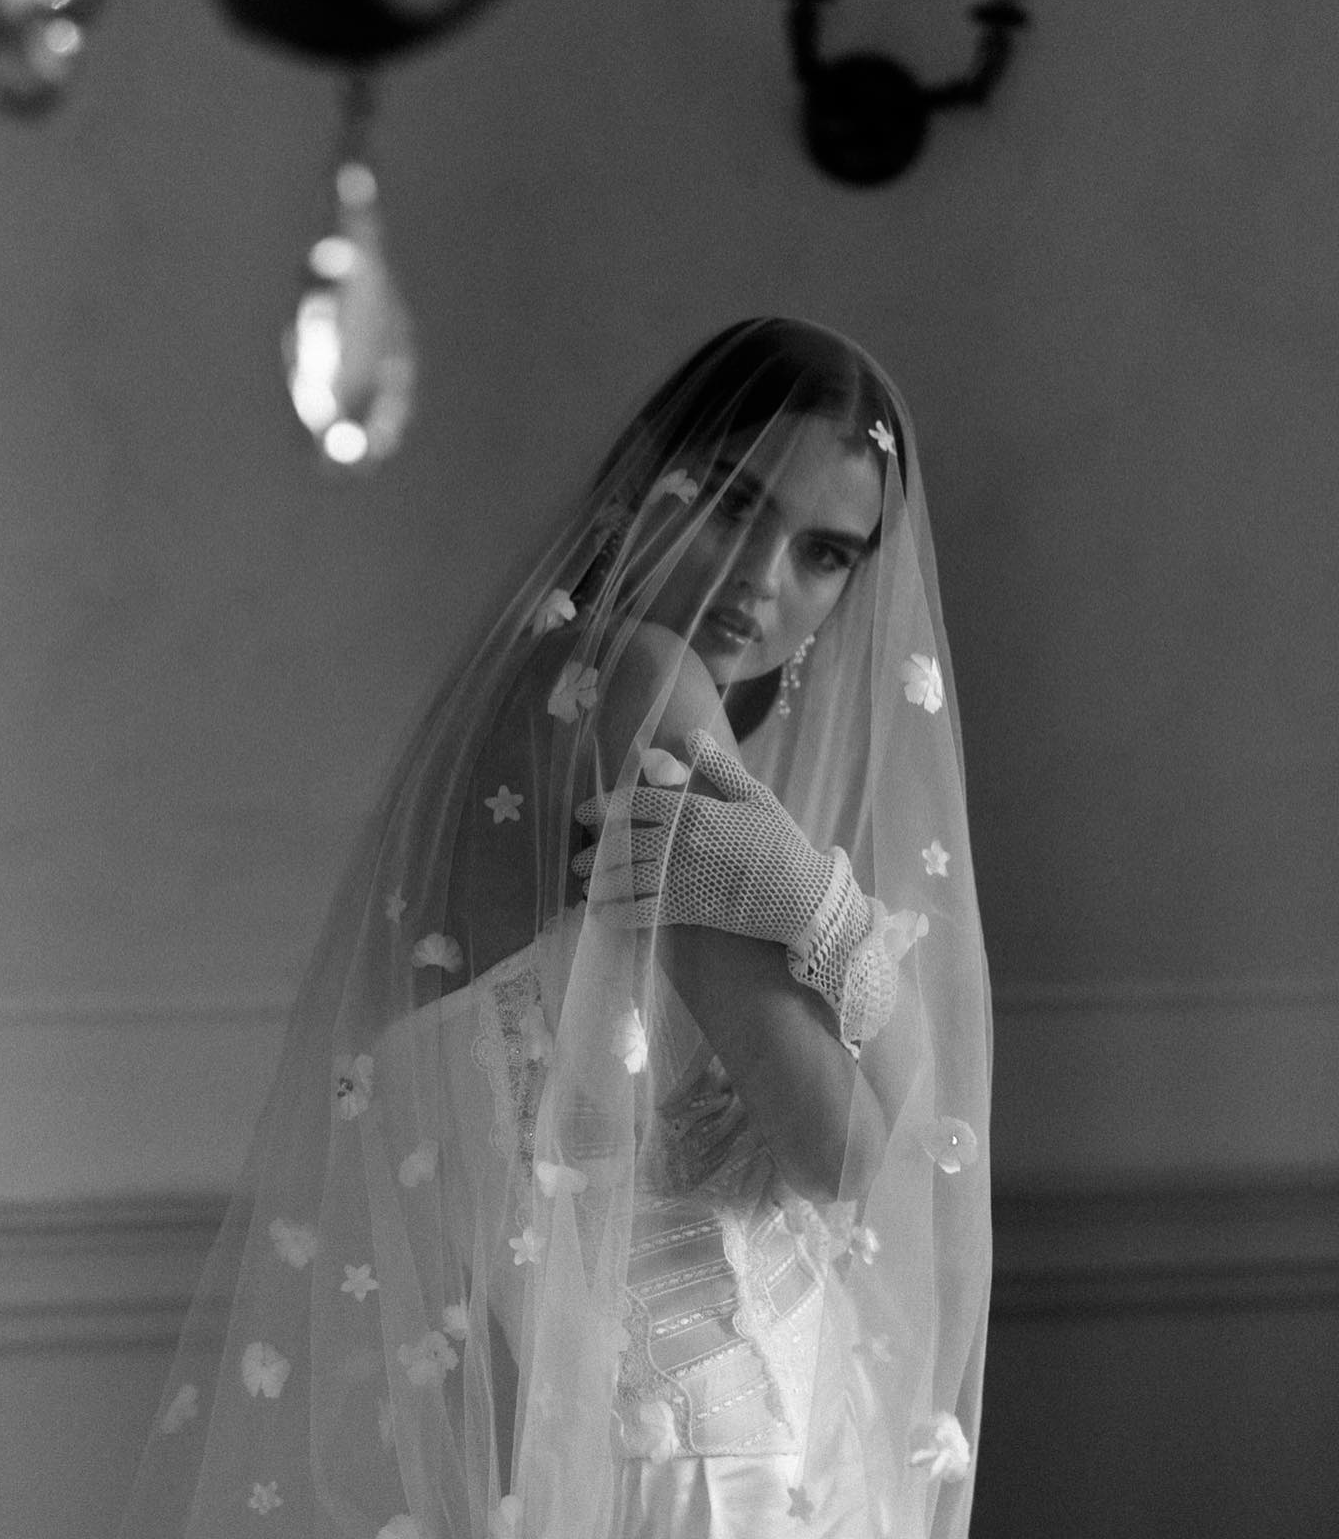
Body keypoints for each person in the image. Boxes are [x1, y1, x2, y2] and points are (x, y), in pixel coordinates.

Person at [118, 317, 992, 1539]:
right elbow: (851, 1156)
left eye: (826, 554)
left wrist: (795, 895)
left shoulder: (534, 696)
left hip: (618, 1440)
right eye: (734, 505)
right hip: (704, 1465)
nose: (762, 579)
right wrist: (827, 918)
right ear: (644, 477)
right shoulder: (637, 683)